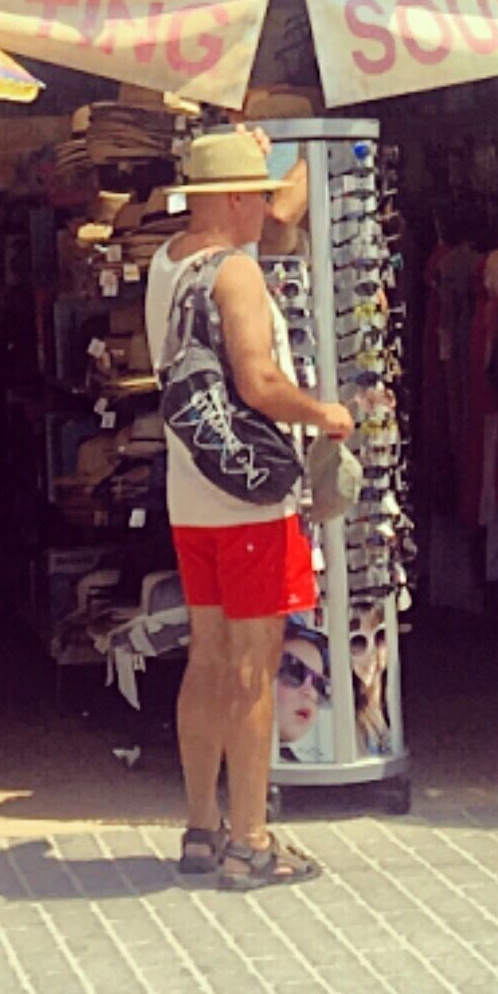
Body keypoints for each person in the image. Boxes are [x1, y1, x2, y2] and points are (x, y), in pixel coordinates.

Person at [145, 125, 355, 894]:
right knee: (253, 670)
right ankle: (252, 840)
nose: (270, 208)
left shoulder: (167, 263)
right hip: (251, 504)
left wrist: (299, 149)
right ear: (234, 198)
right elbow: (259, 381)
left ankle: (202, 827)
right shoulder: (236, 274)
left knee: (205, 659)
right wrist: (323, 413)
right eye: (259, 195)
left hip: (191, 494)